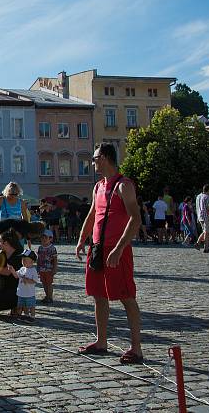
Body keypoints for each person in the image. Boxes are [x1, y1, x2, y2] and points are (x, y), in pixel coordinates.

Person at [75, 143, 143, 364]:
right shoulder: (98, 187)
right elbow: (93, 214)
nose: (93, 162)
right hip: (97, 249)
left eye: (95, 158)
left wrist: (120, 247)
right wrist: (81, 240)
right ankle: (101, 341)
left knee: (126, 297)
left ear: (104, 158)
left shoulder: (124, 185)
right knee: (99, 295)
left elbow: (135, 219)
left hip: (116, 250)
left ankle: (136, 348)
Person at [16, 249, 40, 322]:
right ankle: (26, 315)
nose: (23, 261)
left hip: (29, 293)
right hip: (21, 292)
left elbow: (35, 281)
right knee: (24, 305)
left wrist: (27, 280)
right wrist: (12, 270)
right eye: (22, 259)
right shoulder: (22, 269)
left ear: (32, 261)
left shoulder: (33, 270)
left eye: (25, 260)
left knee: (31, 306)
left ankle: (32, 317)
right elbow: (17, 275)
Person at [37, 230, 58, 304]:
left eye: (45, 237)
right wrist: (38, 268)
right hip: (42, 269)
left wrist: (55, 268)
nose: (43, 239)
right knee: (44, 283)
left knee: (49, 284)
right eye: (42, 237)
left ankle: (50, 297)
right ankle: (47, 296)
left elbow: (55, 259)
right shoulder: (40, 248)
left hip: (49, 269)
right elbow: (38, 258)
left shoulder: (52, 248)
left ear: (50, 239)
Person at [195, 185, 209, 251]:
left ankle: (198, 243)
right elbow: (208, 208)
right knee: (207, 232)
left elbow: (196, 207)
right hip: (206, 216)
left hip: (199, 216)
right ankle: (206, 248)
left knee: (205, 231)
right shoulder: (207, 197)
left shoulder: (198, 196)